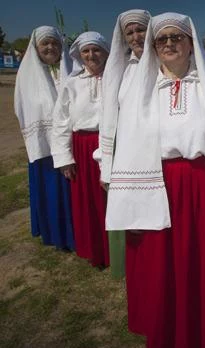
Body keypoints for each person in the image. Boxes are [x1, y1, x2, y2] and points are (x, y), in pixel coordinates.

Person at [105, 13, 205, 348]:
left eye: (176, 38)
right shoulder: (141, 91)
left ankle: (202, 334)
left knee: (199, 263)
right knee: (159, 266)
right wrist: (130, 200)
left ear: (190, 43)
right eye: (161, 39)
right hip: (154, 185)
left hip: (199, 188)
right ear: (153, 47)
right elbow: (128, 147)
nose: (169, 44)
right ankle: (164, 332)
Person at [97, 10, 150, 323]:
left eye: (141, 30)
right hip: (126, 152)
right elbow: (109, 116)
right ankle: (136, 280)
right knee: (130, 223)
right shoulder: (121, 70)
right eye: (129, 33)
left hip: (154, 155)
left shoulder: (162, 64)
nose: (136, 37)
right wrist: (107, 164)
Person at [51, 32, 110, 267]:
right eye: (86, 51)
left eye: (96, 50)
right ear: (79, 55)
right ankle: (92, 249)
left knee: (108, 199)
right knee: (86, 200)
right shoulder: (72, 82)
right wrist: (64, 157)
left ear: (105, 52)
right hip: (81, 146)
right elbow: (61, 120)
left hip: (108, 143)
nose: (91, 55)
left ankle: (113, 250)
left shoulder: (117, 78)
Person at [14, 26, 74, 251]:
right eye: (45, 44)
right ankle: (55, 233)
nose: (50, 47)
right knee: (51, 192)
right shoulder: (27, 76)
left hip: (70, 145)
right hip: (44, 149)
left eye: (55, 43)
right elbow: (22, 108)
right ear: (36, 48)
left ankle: (74, 233)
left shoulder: (71, 70)